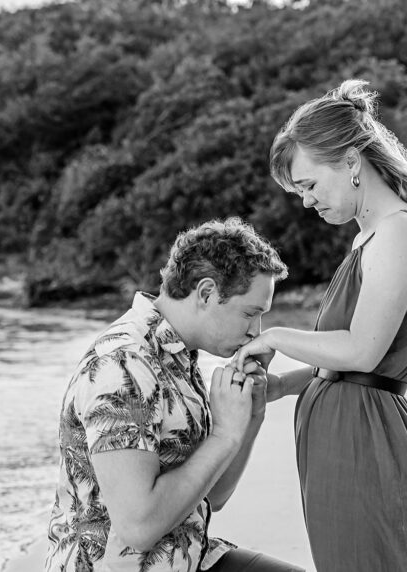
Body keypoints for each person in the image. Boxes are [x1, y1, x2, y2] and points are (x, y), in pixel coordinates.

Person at [234, 80, 407, 571]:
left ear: (351, 162)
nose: (306, 202)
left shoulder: (398, 232)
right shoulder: (372, 236)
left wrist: (275, 336)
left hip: (366, 443)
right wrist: (281, 387)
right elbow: (354, 366)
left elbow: (362, 353)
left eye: (309, 186)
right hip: (347, 438)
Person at [43, 217, 303, 572]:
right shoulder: (123, 366)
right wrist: (224, 434)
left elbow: (212, 496)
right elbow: (139, 527)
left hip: (191, 556)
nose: (256, 332)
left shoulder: (178, 356)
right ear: (207, 293)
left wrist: (251, 414)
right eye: (250, 313)